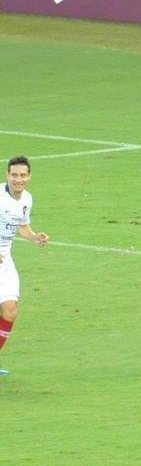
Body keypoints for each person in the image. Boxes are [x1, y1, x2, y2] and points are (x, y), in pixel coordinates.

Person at [0, 156, 50, 376]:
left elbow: (21, 225)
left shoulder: (27, 199)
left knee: (10, 311)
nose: (18, 179)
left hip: (5, 262)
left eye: (22, 175)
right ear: (7, 175)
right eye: (14, 175)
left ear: (29, 176)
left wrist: (34, 237)